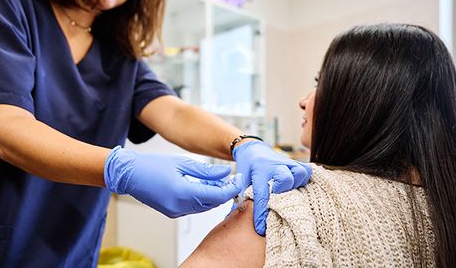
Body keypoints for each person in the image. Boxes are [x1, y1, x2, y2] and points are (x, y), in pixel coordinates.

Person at [0, 0, 313, 266]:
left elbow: (173, 112)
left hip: (70, 249)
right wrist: (119, 169)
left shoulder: (118, 52)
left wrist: (244, 143)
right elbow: (9, 130)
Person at [181, 23, 456, 267]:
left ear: (361, 102)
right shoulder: (443, 209)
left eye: (320, 82)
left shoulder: (285, 208)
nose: (304, 100)